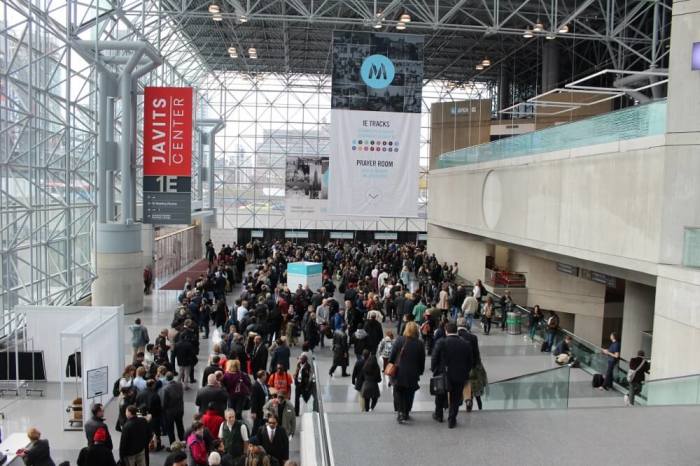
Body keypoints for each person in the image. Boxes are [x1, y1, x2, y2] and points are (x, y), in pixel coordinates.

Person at [431, 322, 473, 428]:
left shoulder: (441, 342)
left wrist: (435, 370)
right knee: (455, 398)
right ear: (457, 331)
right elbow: (470, 362)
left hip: (443, 374)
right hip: (459, 375)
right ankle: (452, 420)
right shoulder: (465, 344)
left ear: (446, 330)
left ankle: (439, 415)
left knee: (440, 395)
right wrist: (464, 372)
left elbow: (434, 358)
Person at [388, 321, 425, 424]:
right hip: (412, 373)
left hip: (399, 372)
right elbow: (422, 360)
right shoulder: (419, 343)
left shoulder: (399, 340)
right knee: (409, 394)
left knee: (398, 392)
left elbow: (392, 357)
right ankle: (406, 412)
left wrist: (390, 365)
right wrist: (420, 372)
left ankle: (400, 411)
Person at [162, 372, 186, 447]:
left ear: (166, 378)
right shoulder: (180, 385)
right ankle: (183, 441)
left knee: (170, 429)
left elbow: (165, 403)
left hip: (170, 412)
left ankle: (173, 445)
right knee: (180, 426)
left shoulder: (166, 388)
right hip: (179, 409)